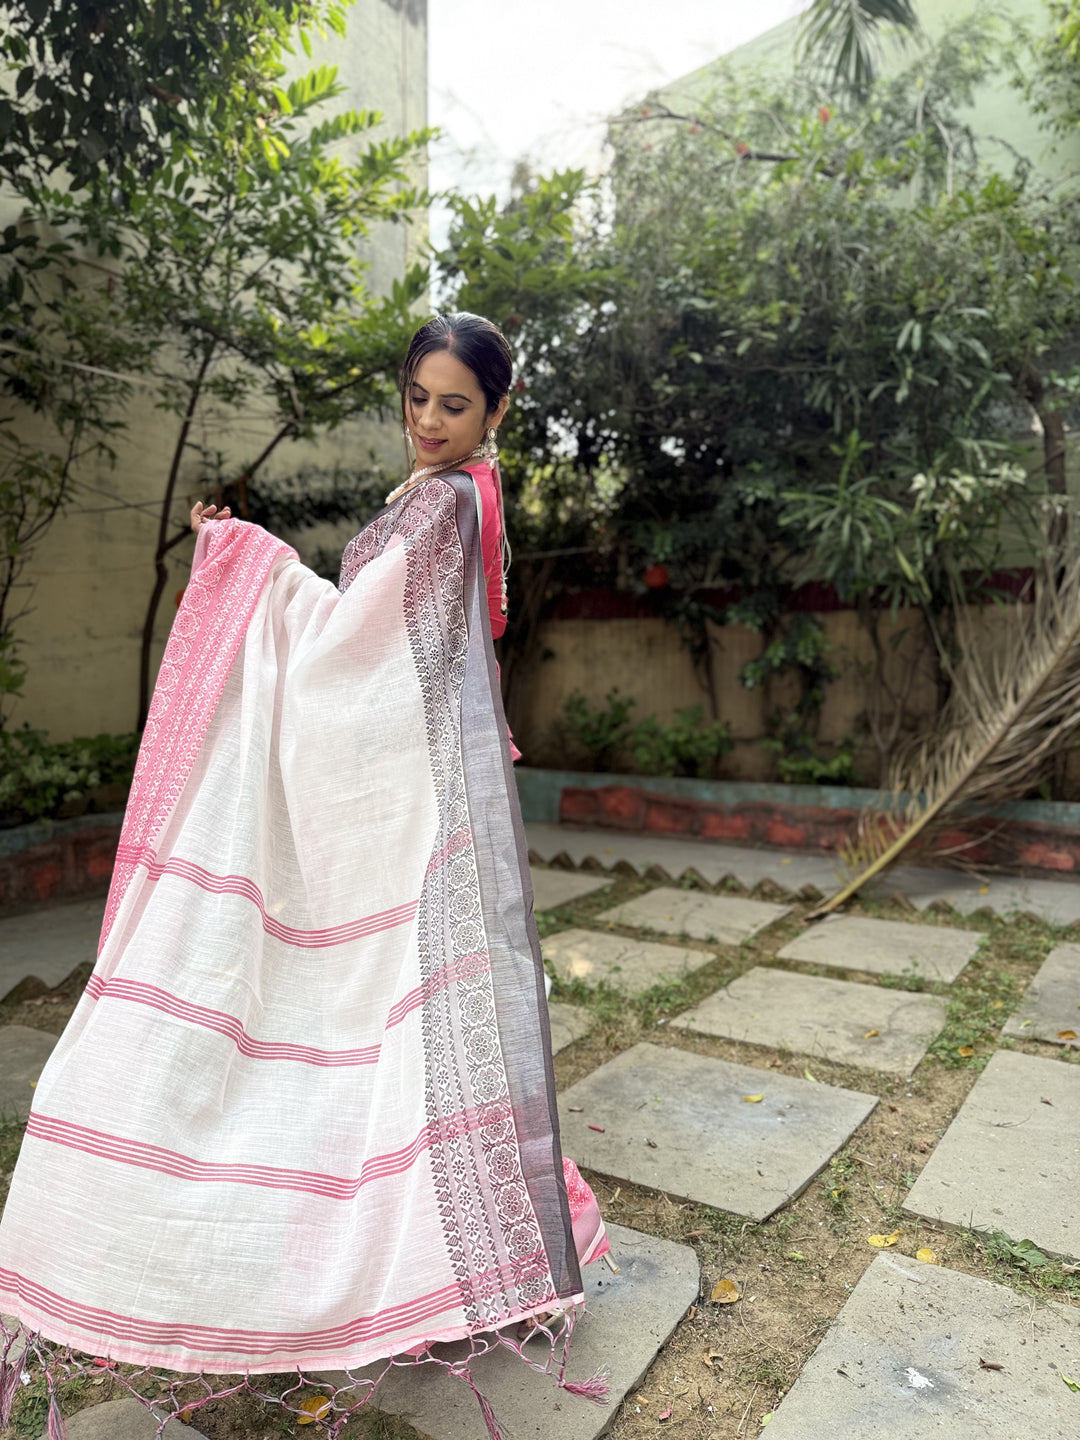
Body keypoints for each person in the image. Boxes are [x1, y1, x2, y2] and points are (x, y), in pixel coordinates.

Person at [0, 313, 608, 1436]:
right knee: (410, 1028)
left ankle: (390, 1258)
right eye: (417, 397)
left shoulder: (443, 505)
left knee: (373, 1018)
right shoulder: (469, 495)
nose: (428, 421)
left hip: (409, 801)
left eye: (454, 404)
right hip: (424, 792)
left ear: (497, 410)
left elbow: (345, 660)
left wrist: (247, 565)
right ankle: (447, 1246)